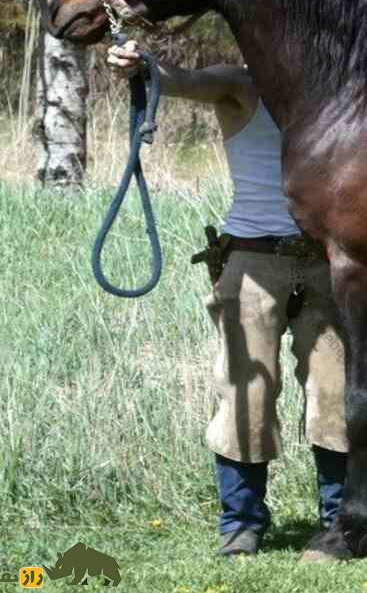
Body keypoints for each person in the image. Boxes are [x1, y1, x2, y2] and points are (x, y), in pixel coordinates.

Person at [107, 40, 348, 556]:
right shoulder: (241, 84)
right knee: (246, 395)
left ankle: (342, 517)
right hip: (252, 261)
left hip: (325, 263)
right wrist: (143, 64)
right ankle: (241, 522)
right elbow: (180, 81)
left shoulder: (334, 88)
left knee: (336, 392)